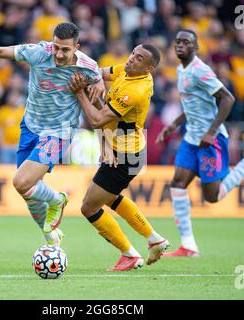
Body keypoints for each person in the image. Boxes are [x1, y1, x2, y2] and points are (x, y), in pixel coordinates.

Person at [0, 22, 105, 246]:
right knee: (27, 190)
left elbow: (99, 80)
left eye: (65, 49)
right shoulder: (38, 52)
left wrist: (101, 83)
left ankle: (57, 199)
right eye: (56, 47)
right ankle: (50, 238)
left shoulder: (88, 66)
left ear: (77, 47)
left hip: (59, 131)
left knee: (21, 181)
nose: (58, 53)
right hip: (30, 126)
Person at [156, 30, 244, 257]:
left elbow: (228, 99)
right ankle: (188, 246)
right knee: (177, 184)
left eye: (186, 42)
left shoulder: (200, 70)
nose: (180, 46)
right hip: (191, 139)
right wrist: (173, 124)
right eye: (177, 42)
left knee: (212, 196)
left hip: (211, 140)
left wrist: (211, 131)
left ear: (196, 47)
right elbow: (192, 105)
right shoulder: (180, 69)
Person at [69, 44, 169, 271]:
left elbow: (96, 120)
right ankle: (154, 239)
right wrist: (95, 80)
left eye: (139, 58)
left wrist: (79, 93)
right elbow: (99, 71)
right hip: (120, 148)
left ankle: (129, 254)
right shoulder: (127, 69)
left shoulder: (135, 90)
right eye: (133, 53)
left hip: (124, 156)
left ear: (149, 68)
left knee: (89, 208)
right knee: (109, 198)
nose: (132, 58)